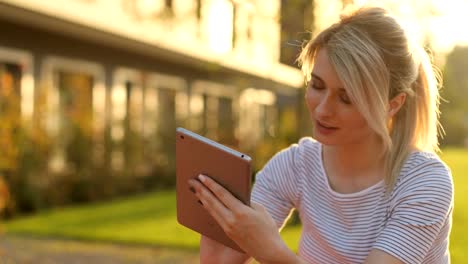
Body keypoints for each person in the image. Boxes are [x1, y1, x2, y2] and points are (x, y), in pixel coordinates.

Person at [188, 5, 453, 264]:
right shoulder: (295, 166)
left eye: (346, 98)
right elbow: (219, 259)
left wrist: (273, 254)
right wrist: (214, 212)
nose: (323, 109)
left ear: (393, 104)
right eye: (317, 85)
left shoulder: (425, 182)